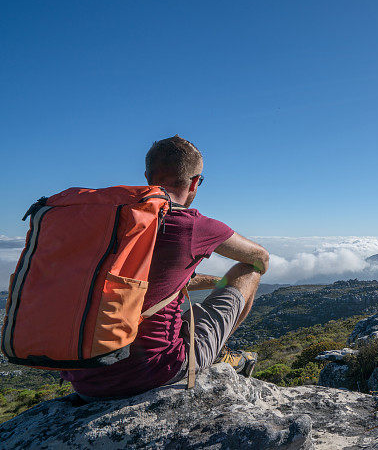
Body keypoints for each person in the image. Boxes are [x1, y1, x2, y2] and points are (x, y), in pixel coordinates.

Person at [61, 135, 268, 399]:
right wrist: (231, 280)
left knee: (186, 316)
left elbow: (137, 285)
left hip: (86, 380)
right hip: (155, 373)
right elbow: (260, 258)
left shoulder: (111, 223)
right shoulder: (191, 224)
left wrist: (215, 282)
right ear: (194, 182)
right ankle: (220, 353)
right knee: (250, 270)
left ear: (147, 176)